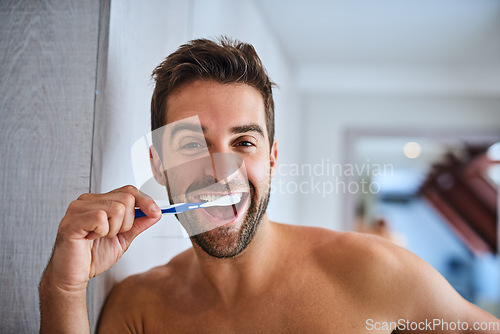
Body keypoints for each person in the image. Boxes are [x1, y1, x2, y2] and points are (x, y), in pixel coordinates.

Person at [39, 37, 500, 334]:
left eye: (243, 141)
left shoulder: (374, 273)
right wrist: (63, 288)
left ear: (273, 160)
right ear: (159, 166)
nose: (220, 170)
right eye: (191, 146)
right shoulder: (137, 310)